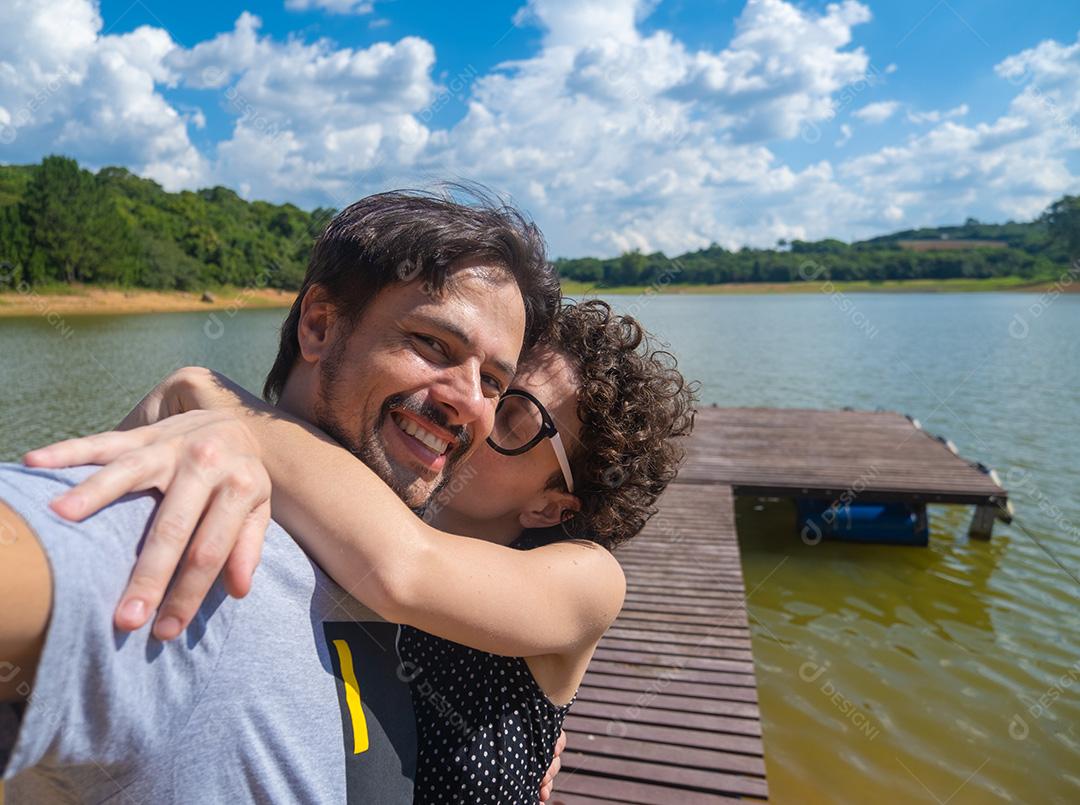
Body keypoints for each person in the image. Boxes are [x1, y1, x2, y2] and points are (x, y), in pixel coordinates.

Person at [0, 189, 562, 803]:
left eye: (493, 381)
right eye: (433, 345)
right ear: (319, 326)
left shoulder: (403, 586)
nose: (470, 402)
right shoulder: (195, 532)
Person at [26, 300, 697, 803]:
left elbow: (406, 568)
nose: (473, 407)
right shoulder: (364, 508)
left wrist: (208, 396)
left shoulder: (588, 579)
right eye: (495, 383)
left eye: (514, 413)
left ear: (551, 505)